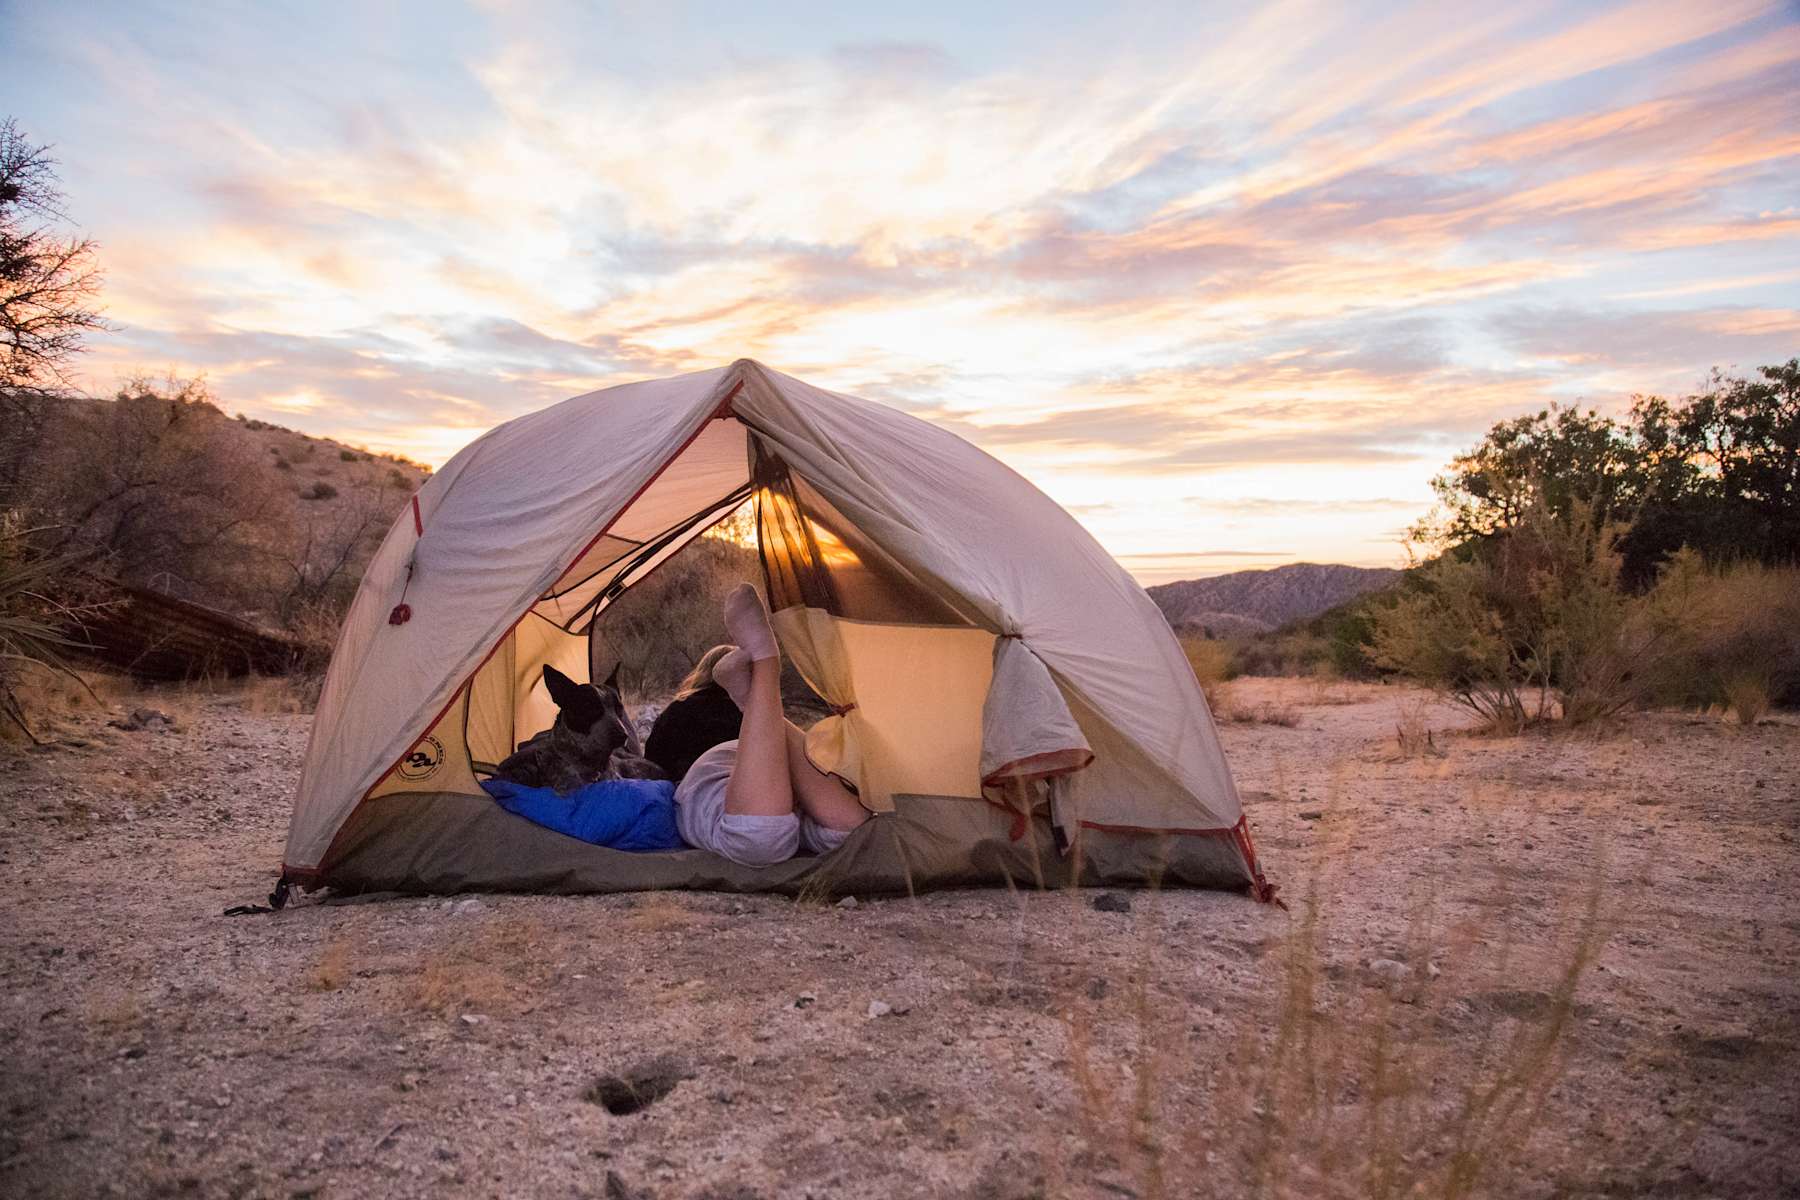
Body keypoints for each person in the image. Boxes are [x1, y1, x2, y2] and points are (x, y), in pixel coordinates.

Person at [672, 584, 870, 867]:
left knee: (856, 834)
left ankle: (749, 691)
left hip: (769, 764)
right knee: (761, 837)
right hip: (719, 770)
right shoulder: (685, 714)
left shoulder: (679, 709)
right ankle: (764, 666)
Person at [643, 645, 743, 783]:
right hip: (746, 790)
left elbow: (653, 760)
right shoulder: (750, 712)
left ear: (704, 671)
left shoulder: (679, 709)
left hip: (685, 790)